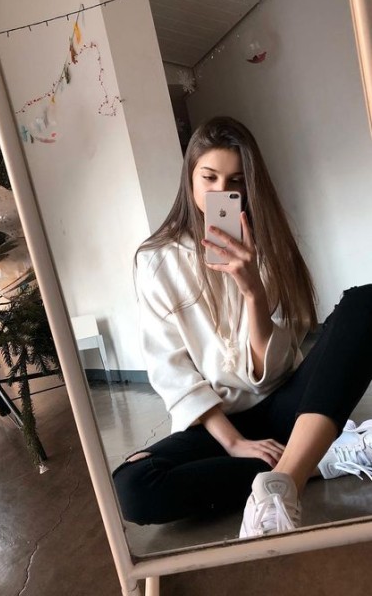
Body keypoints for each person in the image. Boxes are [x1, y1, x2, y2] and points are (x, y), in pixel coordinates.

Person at [112, 116, 372, 538]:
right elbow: (171, 369)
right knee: (133, 486)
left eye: (235, 181)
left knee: (365, 303)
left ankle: (286, 478)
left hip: (286, 405)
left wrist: (253, 290)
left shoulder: (269, 246)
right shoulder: (156, 260)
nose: (221, 192)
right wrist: (234, 443)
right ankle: (316, 458)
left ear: (250, 184)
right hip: (216, 423)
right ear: (189, 178)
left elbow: (274, 369)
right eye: (209, 177)